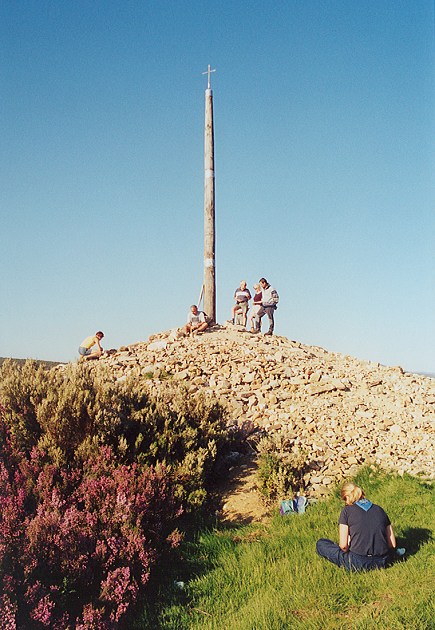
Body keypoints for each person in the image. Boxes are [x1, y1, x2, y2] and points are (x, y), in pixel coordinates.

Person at [316, 482, 397, 572]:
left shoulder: (346, 511)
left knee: (321, 543)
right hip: (382, 561)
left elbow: (343, 546)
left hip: (358, 562)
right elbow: (392, 544)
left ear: (347, 497)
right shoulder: (379, 509)